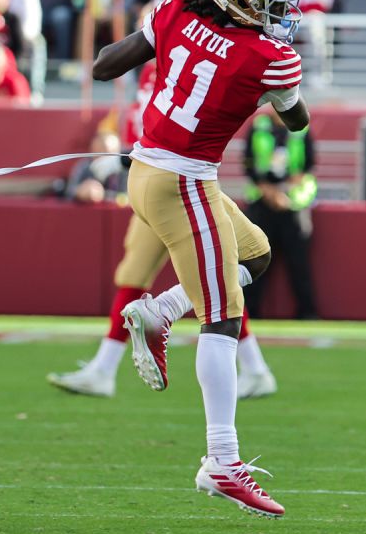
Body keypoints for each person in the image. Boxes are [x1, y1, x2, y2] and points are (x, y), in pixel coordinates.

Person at [92, 0, 310, 518]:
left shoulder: (173, 9)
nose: (281, 12)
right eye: (272, 2)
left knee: (255, 253)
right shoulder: (270, 56)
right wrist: (274, 62)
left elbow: (103, 64)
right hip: (183, 182)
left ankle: (158, 310)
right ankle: (221, 460)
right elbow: (296, 122)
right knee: (224, 318)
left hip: (147, 168)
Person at [48, 66, 279, 401]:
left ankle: (247, 376)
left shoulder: (188, 59)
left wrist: (126, 163)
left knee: (219, 274)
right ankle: (105, 368)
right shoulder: (154, 68)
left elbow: (180, 134)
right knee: (144, 273)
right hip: (154, 184)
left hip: (177, 185)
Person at [242, 113, 318, 320]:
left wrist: (286, 192)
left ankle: (307, 313)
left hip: (293, 203)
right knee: (256, 260)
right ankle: (250, 312)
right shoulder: (258, 126)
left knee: (298, 262)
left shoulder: (301, 128)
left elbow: (309, 164)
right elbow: (248, 163)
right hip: (262, 202)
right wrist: (269, 192)